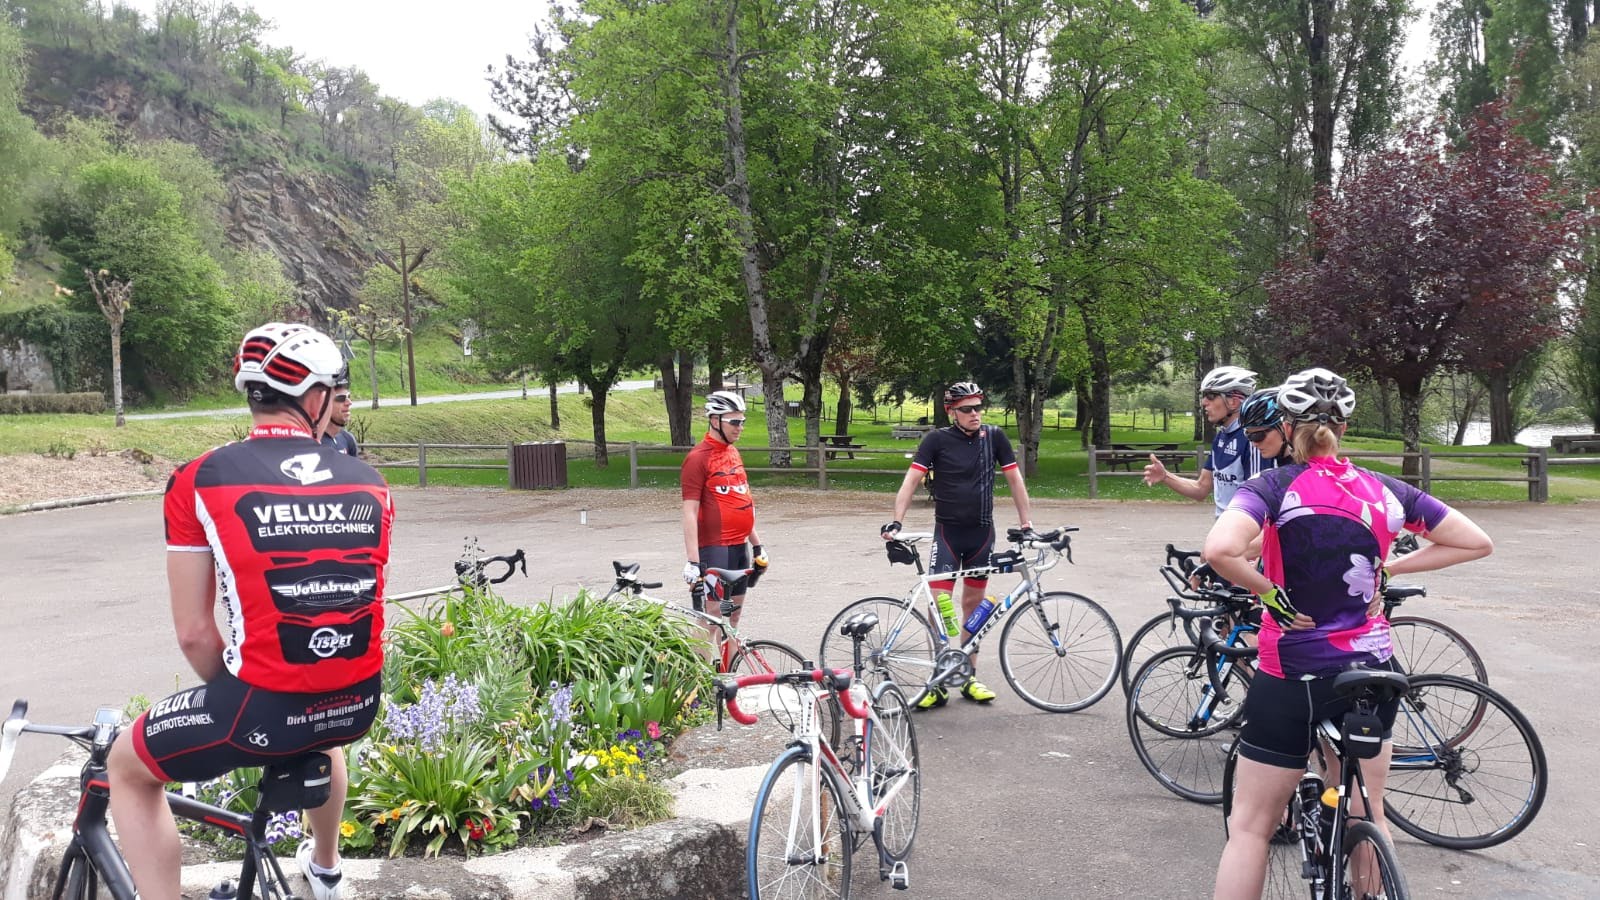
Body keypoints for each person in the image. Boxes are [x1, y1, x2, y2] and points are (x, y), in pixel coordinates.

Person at [106, 323, 395, 900]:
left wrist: (242, 700)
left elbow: (193, 634)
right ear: (315, 398)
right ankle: (327, 871)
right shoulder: (372, 482)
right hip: (359, 700)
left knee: (126, 768)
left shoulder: (198, 478)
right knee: (321, 725)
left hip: (261, 706)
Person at [1204, 368, 1492, 899]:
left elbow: (1220, 551)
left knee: (1249, 827)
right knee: (1368, 809)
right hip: (1372, 669)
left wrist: (1270, 594)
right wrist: (1390, 571)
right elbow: (1475, 541)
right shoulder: (1385, 489)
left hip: (1292, 669)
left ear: (1287, 428)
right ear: (1343, 427)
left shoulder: (1270, 487)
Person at [881, 381, 1034, 708]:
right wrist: (897, 521)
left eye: (978, 407)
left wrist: (1026, 523)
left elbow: (1015, 480)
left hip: (981, 534)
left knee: (974, 607)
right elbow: (911, 480)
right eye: (967, 409)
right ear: (952, 412)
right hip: (948, 534)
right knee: (940, 605)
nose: (975, 414)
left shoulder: (994, 437)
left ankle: (967, 676)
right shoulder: (937, 439)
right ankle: (937, 680)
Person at [681, 389, 767, 633]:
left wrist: (758, 545)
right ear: (714, 420)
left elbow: (740, 502)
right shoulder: (698, 458)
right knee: (712, 620)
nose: (740, 427)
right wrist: (693, 562)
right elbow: (689, 511)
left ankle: (728, 670)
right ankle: (704, 672)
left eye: (743, 422)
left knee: (734, 617)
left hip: (740, 547)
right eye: (735, 422)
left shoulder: (733, 452)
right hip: (714, 550)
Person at [1144, 366, 1280, 516]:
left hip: (1243, 531)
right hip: (1224, 527)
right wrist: (1165, 476)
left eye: (1210, 396)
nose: (1203, 402)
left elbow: (1261, 502)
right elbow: (1201, 489)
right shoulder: (1221, 437)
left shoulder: (1253, 439)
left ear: (1233, 402)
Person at [320, 372, 360, 458]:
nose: (349, 402)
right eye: (341, 398)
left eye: (349, 396)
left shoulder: (348, 439)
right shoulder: (314, 443)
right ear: (323, 403)